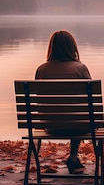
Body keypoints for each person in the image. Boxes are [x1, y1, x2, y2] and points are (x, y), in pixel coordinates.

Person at [35, 29, 91, 174]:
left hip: (50, 125)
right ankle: (73, 155)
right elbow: (89, 99)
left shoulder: (41, 70)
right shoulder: (80, 69)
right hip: (78, 126)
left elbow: (39, 100)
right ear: (72, 47)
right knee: (77, 114)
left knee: (73, 115)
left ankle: (72, 156)